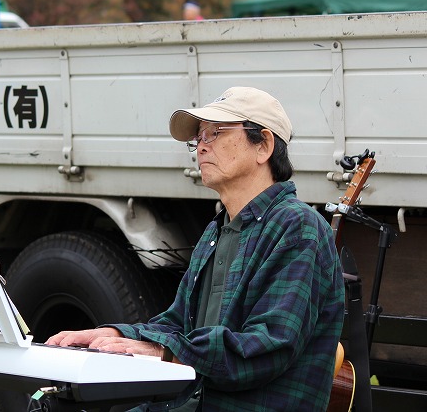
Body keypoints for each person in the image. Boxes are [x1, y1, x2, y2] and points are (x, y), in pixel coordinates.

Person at [46, 87, 344, 411]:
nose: (201, 146)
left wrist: (163, 351)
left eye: (215, 133)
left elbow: (267, 347)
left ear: (264, 145)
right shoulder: (218, 230)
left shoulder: (298, 227)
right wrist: (112, 334)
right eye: (199, 138)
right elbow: (177, 325)